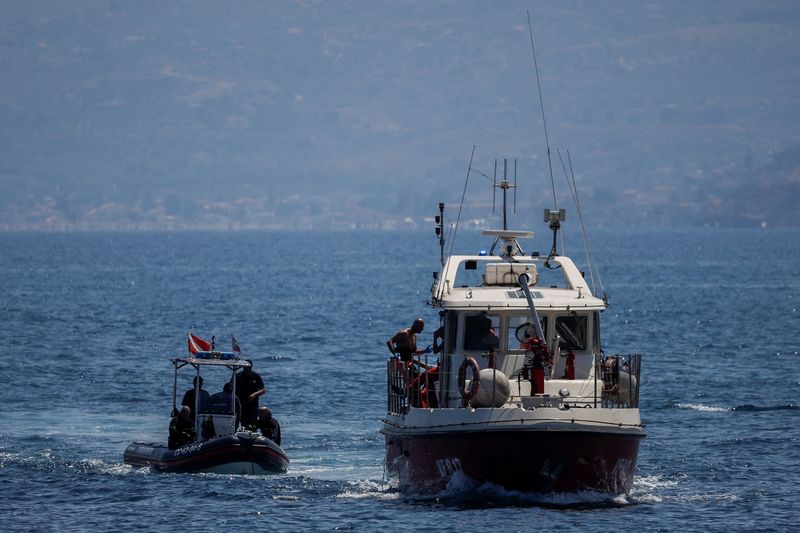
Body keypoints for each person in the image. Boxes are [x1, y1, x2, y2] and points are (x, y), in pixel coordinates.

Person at [235, 361, 265, 428]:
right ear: (243, 367)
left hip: (252, 405)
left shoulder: (256, 376)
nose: (247, 369)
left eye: (248, 367)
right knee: (240, 423)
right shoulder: (237, 376)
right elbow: (231, 388)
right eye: (245, 367)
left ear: (251, 367)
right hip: (240, 404)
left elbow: (263, 390)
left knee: (252, 424)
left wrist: (254, 394)